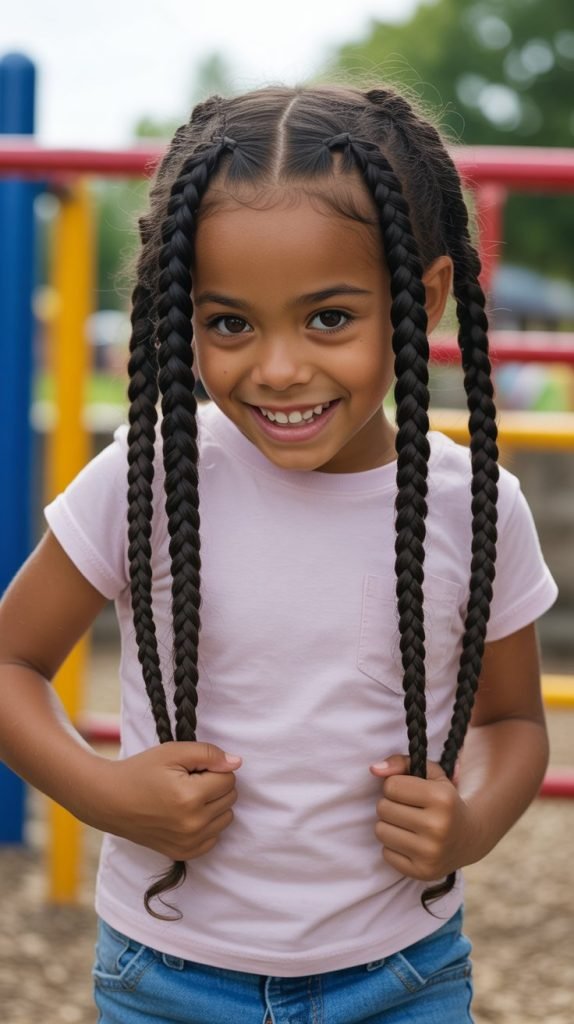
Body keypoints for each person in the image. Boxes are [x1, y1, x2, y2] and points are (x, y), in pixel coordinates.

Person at [0, 84, 558, 1024]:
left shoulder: (476, 506)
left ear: (422, 299)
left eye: (329, 318)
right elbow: (11, 661)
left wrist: (469, 823)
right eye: (230, 323)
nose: (279, 368)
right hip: (164, 978)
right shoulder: (147, 477)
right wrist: (103, 793)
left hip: (404, 977)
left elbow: (513, 724)